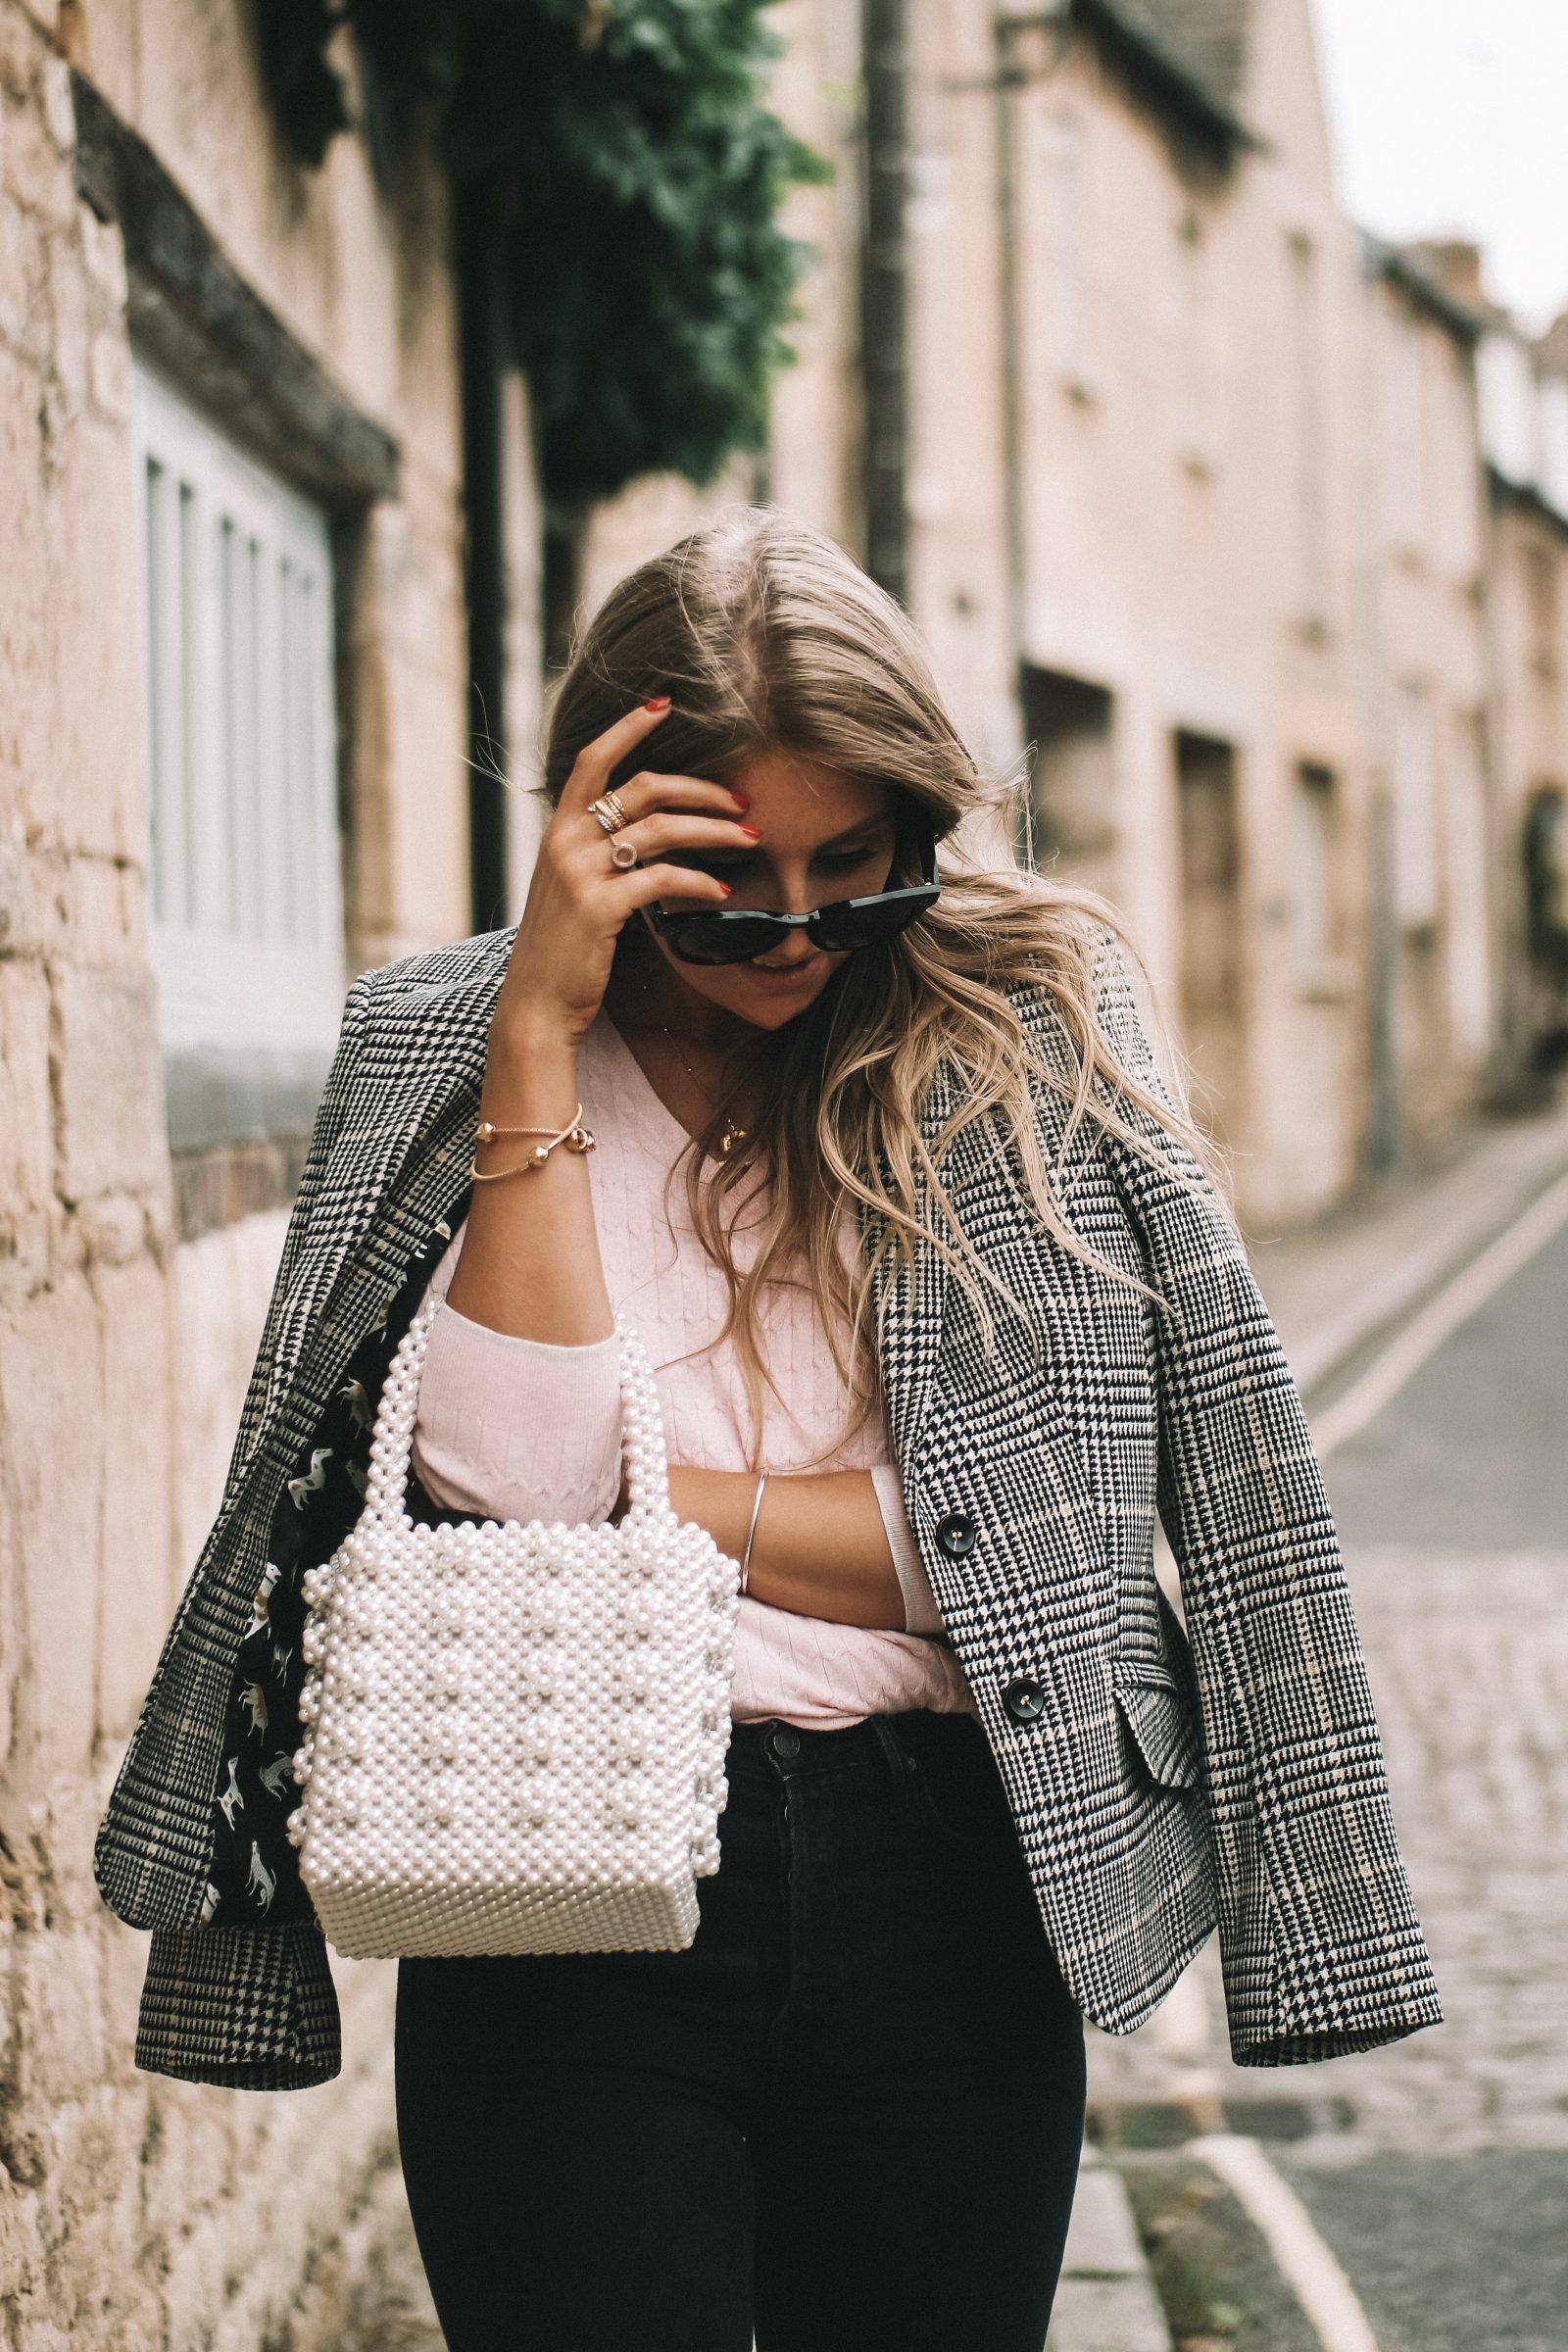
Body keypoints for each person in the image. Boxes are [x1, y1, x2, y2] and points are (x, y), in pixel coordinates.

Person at [95, 508, 1440, 2352]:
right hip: (562, 1881)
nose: (797, 933)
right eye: (735, 882)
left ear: (921, 833)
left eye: (855, 871)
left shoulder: (1032, 1026)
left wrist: (671, 1513)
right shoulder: (438, 1042)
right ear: (611, 828)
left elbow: (1128, 1510)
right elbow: (516, 1493)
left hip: (954, 1888)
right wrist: (542, 1040)